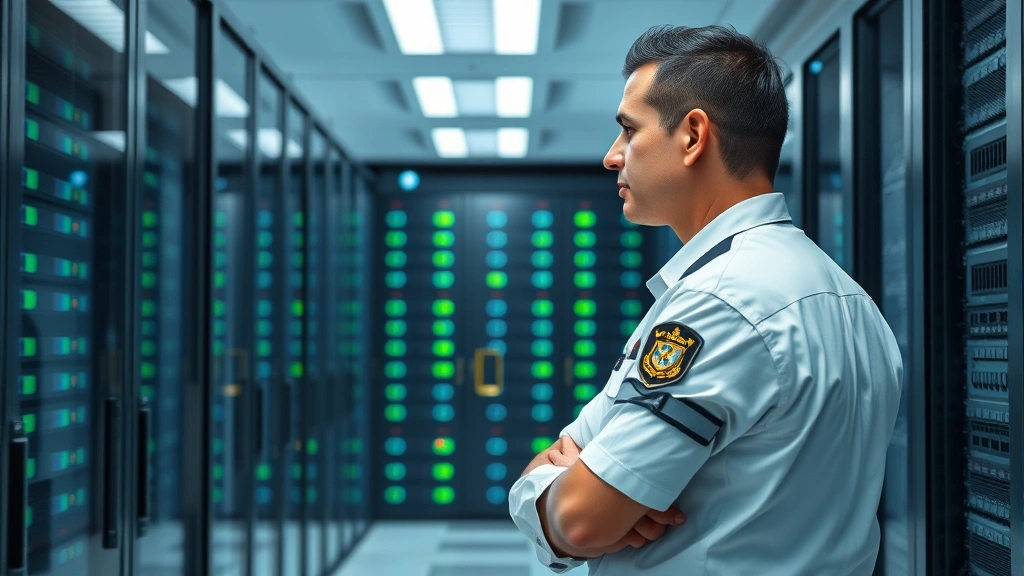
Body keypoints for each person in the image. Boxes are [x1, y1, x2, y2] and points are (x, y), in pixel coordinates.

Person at [508, 24, 903, 575]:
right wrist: (589, 493)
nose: (612, 156)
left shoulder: (721, 301)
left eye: (629, 131)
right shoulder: (851, 300)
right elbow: (580, 464)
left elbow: (578, 521)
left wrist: (540, 488)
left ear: (693, 135)